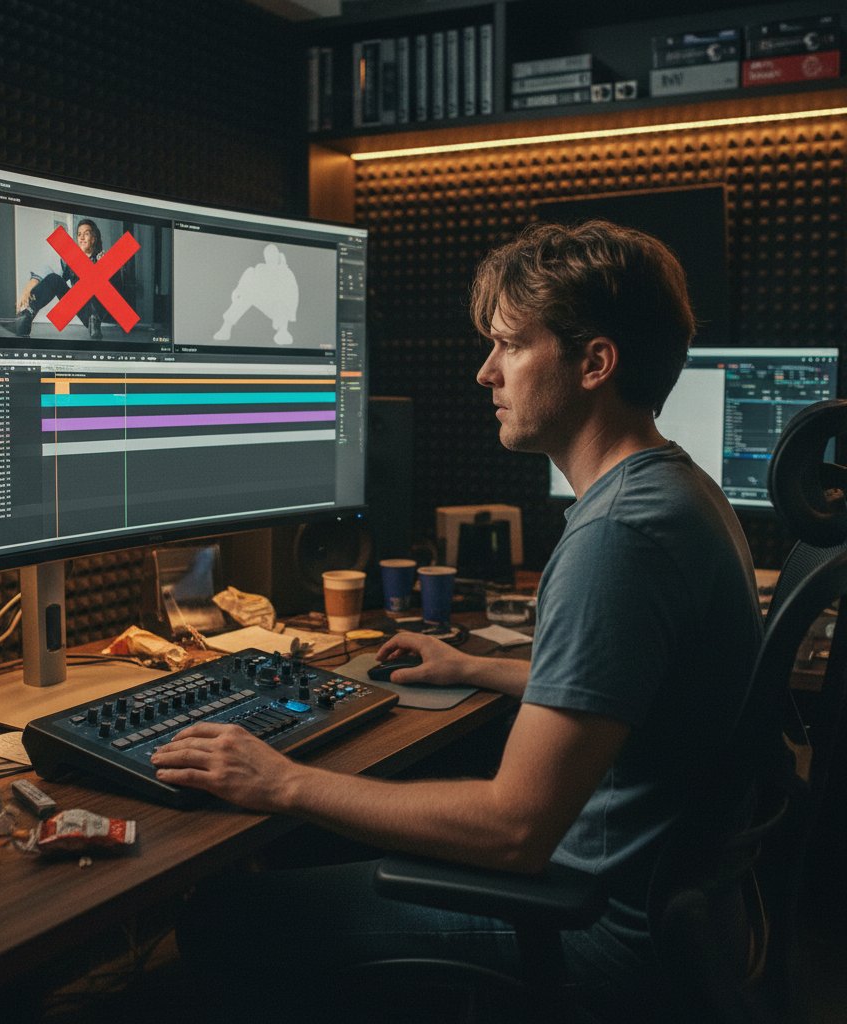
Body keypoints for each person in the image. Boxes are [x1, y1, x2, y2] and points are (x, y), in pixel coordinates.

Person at [150, 220, 763, 1021]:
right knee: (322, 840)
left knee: (223, 916)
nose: (486, 372)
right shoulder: (675, 490)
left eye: (509, 344)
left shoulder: (620, 533)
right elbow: (635, 692)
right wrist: (474, 666)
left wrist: (283, 779)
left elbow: (515, 828)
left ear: (594, 362)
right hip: (669, 906)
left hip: (597, 932)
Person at [12, 218, 107, 340]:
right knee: (54, 279)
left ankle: (95, 321)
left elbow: (111, 295)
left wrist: (103, 267)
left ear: (93, 239)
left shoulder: (102, 259)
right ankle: (27, 314)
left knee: (97, 278)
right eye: (79, 234)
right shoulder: (71, 260)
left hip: (96, 311)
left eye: (86, 234)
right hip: (82, 310)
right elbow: (49, 272)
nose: (82, 238)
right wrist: (27, 289)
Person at [213, 242, 299, 345]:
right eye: (268, 254)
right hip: (265, 301)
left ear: (277, 255)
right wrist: (239, 290)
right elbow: (250, 282)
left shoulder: (285, 272)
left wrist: (288, 315)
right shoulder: (261, 269)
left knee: (282, 303)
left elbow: (292, 295)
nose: (270, 257)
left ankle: (283, 331)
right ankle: (226, 328)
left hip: (279, 306)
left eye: (273, 254)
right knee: (247, 291)